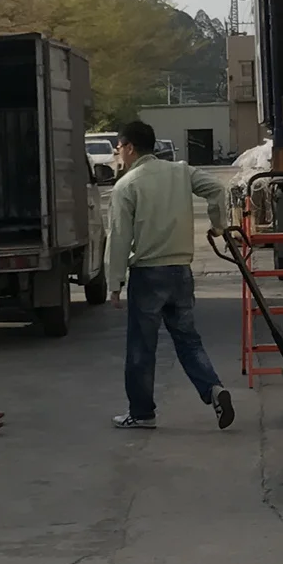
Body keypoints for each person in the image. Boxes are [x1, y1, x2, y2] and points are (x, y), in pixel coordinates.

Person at [105, 118, 236, 432]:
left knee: (142, 347)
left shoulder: (126, 185)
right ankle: (213, 388)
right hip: (180, 271)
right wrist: (219, 226)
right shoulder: (180, 171)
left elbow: (119, 237)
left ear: (130, 147)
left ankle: (142, 413)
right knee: (188, 340)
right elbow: (217, 189)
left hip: (147, 274)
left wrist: (114, 282)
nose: (117, 153)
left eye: (118, 147)